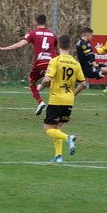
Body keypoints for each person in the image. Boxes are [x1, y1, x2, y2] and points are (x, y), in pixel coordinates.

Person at [0, 14, 57, 115]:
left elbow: (19, 45)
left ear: (36, 22)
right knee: (52, 82)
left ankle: (40, 102)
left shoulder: (33, 33)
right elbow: (57, 49)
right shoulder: (52, 34)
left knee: (32, 83)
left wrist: (3, 48)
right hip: (52, 64)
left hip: (40, 63)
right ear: (46, 22)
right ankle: (54, 103)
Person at [36, 34, 86, 163]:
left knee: (48, 129)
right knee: (57, 127)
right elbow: (83, 84)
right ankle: (58, 156)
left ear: (58, 45)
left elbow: (47, 79)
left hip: (56, 100)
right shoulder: (75, 63)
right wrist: (73, 94)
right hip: (69, 101)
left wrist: (41, 87)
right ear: (70, 46)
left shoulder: (55, 61)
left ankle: (68, 138)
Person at [76, 27, 107, 99]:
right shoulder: (83, 44)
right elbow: (89, 57)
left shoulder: (83, 42)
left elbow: (89, 56)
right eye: (91, 35)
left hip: (87, 67)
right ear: (87, 34)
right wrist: (96, 67)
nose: (92, 37)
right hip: (88, 69)